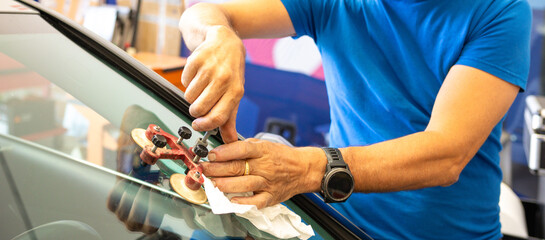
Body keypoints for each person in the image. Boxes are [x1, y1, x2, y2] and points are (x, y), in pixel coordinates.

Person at [178, 0, 531, 239]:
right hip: (338, 224)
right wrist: (219, 36)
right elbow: (203, 13)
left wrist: (306, 168)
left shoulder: (500, 10)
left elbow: (446, 154)